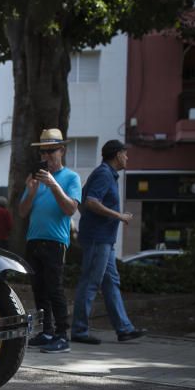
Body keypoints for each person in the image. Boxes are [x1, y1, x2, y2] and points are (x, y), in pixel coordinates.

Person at [71, 140, 147, 344]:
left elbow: (83, 200)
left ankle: (124, 329)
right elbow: (90, 201)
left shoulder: (105, 174)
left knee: (111, 282)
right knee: (90, 282)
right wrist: (119, 216)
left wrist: (89, 221)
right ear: (117, 155)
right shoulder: (104, 174)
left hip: (103, 239)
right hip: (99, 239)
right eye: (125, 153)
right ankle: (79, 330)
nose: (127, 157)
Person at [19, 128, 82, 354]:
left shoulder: (71, 177)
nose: (46, 156)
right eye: (43, 152)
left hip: (55, 241)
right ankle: (46, 332)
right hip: (34, 240)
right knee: (39, 289)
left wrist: (54, 184)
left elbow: (70, 208)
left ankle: (62, 336)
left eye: (51, 151)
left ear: (62, 151)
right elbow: (22, 212)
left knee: (55, 288)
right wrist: (32, 191)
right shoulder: (34, 180)